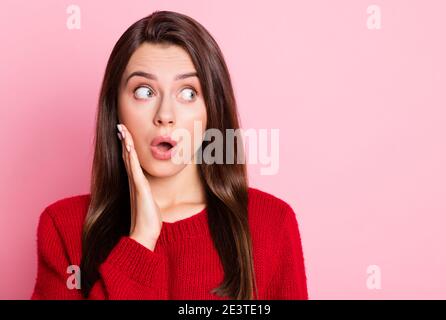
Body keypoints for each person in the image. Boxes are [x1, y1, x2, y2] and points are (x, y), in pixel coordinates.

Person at [31, 10, 308, 300]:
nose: (165, 115)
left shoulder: (271, 223)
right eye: (144, 91)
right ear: (116, 109)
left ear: (212, 110)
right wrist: (140, 242)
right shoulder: (63, 227)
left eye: (188, 93)